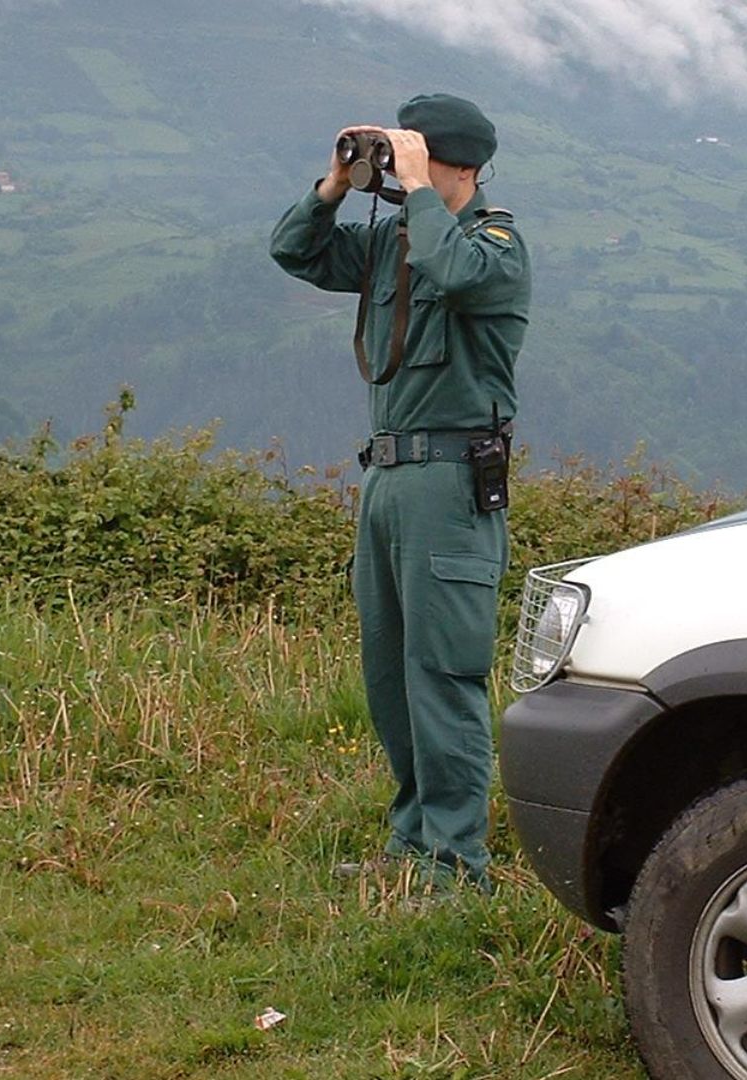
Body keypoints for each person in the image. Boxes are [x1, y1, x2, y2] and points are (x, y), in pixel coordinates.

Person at [269, 93, 531, 893]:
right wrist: (335, 185)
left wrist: (418, 190)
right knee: (389, 672)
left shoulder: (494, 246)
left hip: (450, 483)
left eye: (414, 152)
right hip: (385, 479)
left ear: (458, 165)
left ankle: (457, 864)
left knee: (442, 672)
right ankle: (413, 841)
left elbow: (453, 272)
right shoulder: (393, 241)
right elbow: (295, 252)